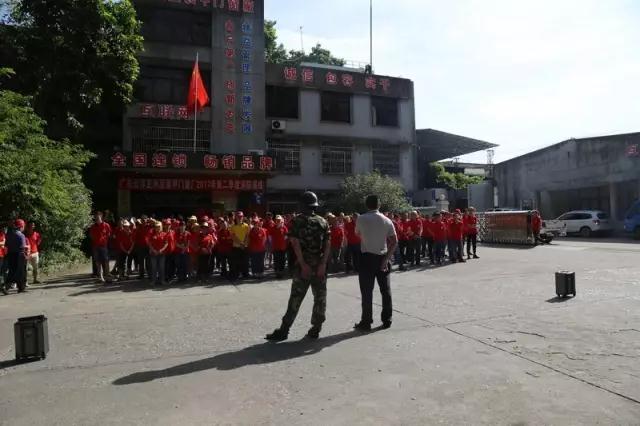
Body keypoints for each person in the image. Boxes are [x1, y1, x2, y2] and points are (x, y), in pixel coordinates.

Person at [266, 191, 331, 341]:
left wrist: (302, 264)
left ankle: (284, 330)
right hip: (319, 265)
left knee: (296, 298)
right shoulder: (323, 221)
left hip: (304, 265)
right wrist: (322, 264)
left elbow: (295, 243)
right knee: (320, 298)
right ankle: (316, 329)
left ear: (302, 205)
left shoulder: (297, 221)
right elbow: (328, 244)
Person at [354, 195, 398, 331]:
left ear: (366, 205)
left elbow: (357, 234)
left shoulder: (361, 218)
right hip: (382, 257)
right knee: (385, 291)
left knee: (366, 292)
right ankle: (387, 319)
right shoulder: (387, 220)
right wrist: (386, 259)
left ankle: (366, 321)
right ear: (379, 205)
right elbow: (394, 241)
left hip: (366, 258)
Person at [5, 219, 28, 293]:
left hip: (11, 254)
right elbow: (23, 246)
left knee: (12, 270)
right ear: (21, 226)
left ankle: (7, 286)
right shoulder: (21, 235)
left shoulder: (9, 234)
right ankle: (20, 288)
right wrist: (26, 253)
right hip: (19, 254)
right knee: (21, 272)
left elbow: (6, 245)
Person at [89, 212, 112, 283]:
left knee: (106, 261)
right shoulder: (93, 226)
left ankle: (107, 276)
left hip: (104, 246)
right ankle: (100, 277)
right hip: (96, 246)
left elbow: (109, 234)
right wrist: (96, 240)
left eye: (98, 216)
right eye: (96, 217)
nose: (97, 218)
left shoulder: (106, 225)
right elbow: (91, 236)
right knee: (98, 262)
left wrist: (104, 240)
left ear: (101, 217)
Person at [229, 211, 250, 281]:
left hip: (244, 247)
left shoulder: (246, 225)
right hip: (236, 247)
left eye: (241, 216)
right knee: (236, 262)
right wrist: (241, 243)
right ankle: (236, 275)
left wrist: (244, 244)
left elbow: (247, 235)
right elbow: (233, 237)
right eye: (238, 216)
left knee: (245, 261)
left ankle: (245, 274)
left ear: (243, 217)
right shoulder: (232, 226)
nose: (240, 218)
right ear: (236, 217)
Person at [147, 221, 168, 286]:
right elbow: (149, 243)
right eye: (156, 227)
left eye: (159, 226)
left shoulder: (164, 234)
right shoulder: (151, 234)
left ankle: (162, 280)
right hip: (153, 254)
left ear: (161, 227)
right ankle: (154, 281)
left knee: (162, 268)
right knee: (154, 268)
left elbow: (166, 243)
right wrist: (153, 250)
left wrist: (161, 250)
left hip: (162, 254)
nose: (157, 228)